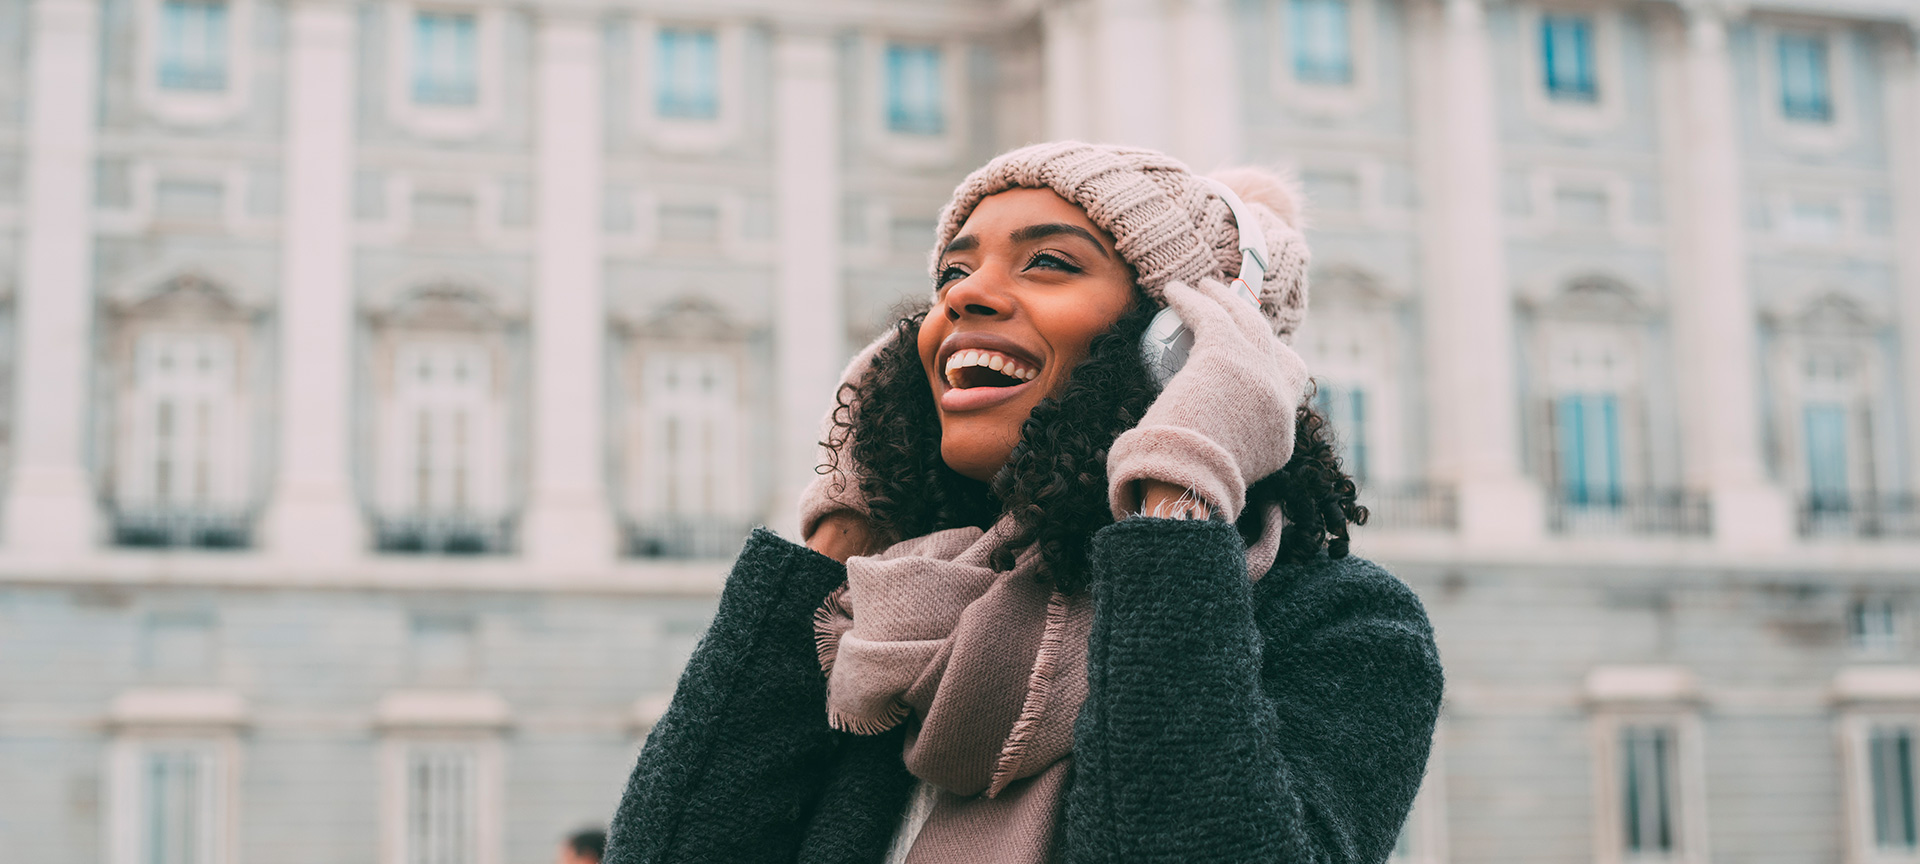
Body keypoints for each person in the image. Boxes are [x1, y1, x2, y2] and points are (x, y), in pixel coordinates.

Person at [605, 141, 1443, 863]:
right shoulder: (886, 631)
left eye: (1049, 261)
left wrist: (1179, 491)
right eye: (953, 273)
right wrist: (843, 531)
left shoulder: (1344, 626)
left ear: (1178, 346)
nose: (962, 297)